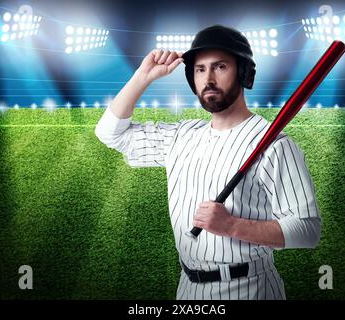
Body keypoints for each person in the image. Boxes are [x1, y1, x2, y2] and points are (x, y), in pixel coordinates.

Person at [95, 24, 321, 300]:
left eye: (220, 67)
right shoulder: (182, 136)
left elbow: (307, 229)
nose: (208, 78)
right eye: (200, 69)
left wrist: (232, 226)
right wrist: (143, 77)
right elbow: (109, 133)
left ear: (243, 73)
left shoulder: (276, 145)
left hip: (249, 288)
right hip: (187, 288)